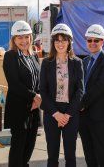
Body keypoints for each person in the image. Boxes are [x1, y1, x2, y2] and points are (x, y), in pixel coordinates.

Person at [40, 24, 84, 167]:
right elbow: (43, 90)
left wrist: (67, 115)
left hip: (71, 114)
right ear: (53, 43)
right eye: (57, 40)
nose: (60, 44)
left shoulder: (77, 63)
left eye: (64, 40)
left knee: (70, 156)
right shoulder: (46, 63)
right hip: (52, 113)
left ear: (69, 42)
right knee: (52, 156)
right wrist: (56, 114)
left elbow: (80, 90)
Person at [3, 20, 41, 167]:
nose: (24, 41)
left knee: (30, 146)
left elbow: (38, 80)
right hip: (19, 110)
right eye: (20, 37)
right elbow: (14, 84)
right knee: (18, 148)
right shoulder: (10, 56)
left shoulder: (34, 56)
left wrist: (38, 97)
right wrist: (34, 97)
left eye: (26, 37)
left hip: (33, 109)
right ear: (14, 39)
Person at [79, 24, 104, 167]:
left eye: (96, 40)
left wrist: (81, 104)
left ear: (103, 42)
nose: (92, 43)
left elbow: (101, 87)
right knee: (88, 150)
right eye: (89, 40)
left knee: (102, 150)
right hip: (83, 115)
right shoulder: (84, 61)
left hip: (98, 114)